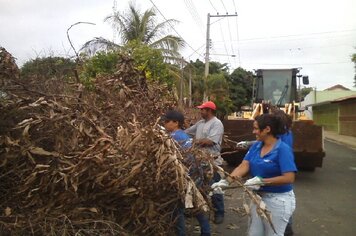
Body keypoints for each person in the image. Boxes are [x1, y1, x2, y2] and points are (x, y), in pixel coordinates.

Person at [214, 113, 297, 236]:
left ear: (267, 129)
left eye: (256, 128)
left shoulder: (282, 149)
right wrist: (226, 181)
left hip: (278, 200)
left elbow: (289, 178)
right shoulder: (257, 146)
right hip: (258, 198)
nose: (254, 132)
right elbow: (244, 165)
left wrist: (262, 181)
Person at [162, 110, 211, 236]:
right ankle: (206, 232)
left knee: (178, 209)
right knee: (197, 205)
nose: (165, 123)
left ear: (176, 123)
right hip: (195, 175)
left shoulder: (174, 137)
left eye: (167, 121)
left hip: (186, 176)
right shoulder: (184, 136)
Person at [184, 101, 225, 224]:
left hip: (212, 162)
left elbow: (211, 141)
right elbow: (187, 132)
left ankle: (219, 212)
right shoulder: (200, 123)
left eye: (203, 110)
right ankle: (196, 210)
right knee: (197, 187)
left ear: (209, 110)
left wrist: (193, 142)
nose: (200, 112)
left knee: (215, 187)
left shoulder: (217, 124)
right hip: (198, 162)